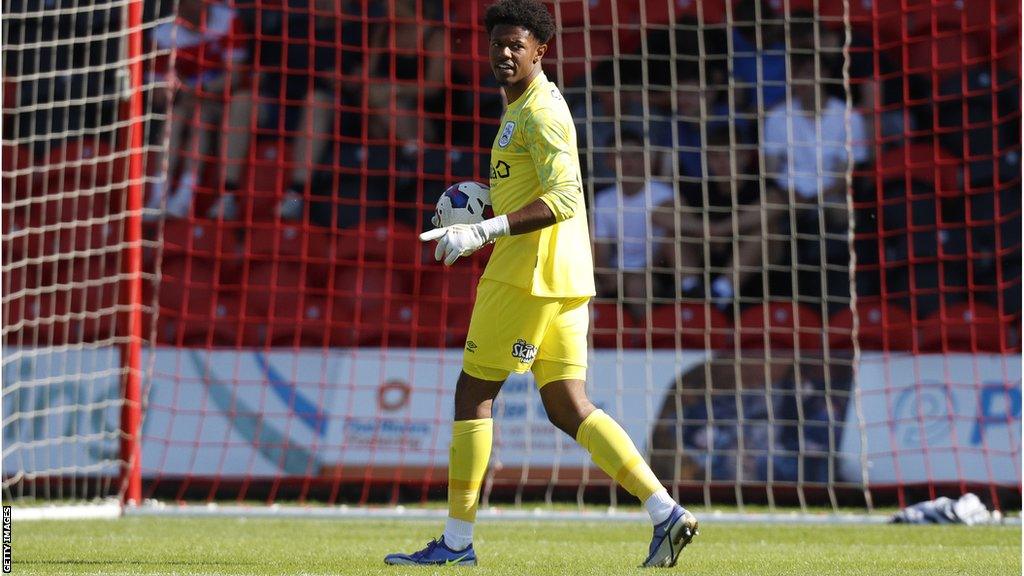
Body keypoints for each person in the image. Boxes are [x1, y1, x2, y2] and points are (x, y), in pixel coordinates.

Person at [384, 0, 697, 568]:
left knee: (473, 392)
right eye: (497, 43)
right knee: (566, 405)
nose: (504, 53)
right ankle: (664, 512)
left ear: (540, 51)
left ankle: (456, 544)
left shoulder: (542, 111)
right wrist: (489, 206)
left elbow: (564, 197)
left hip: (527, 274)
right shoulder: (520, 108)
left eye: (516, 45)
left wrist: (485, 228)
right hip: (565, 276)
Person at [656, 125, 784, 306]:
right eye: (715, 156)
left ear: (744, 157)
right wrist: (706, 229)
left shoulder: (759, 185)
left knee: (764, 232)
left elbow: (776, 204)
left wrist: (722, 230)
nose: (722, 162)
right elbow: (660, 214)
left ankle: (721, 293)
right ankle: (692, 290)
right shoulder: (701, 189)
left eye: (728, 155)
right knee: (672, 236)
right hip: (708, 261)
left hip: (757, 272)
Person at [592, 129, 675, 319]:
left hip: (654, 273)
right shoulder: (603, 200)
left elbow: (669, 248)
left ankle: (643, 342)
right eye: (620, 156)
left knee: (636, 286)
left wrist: (635, 275)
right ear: (608, 161)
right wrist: (608, 276)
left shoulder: (663, 194)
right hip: (616, 273)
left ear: (646, 159)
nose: (628, 163)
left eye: (635, 156)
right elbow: (600, 252)